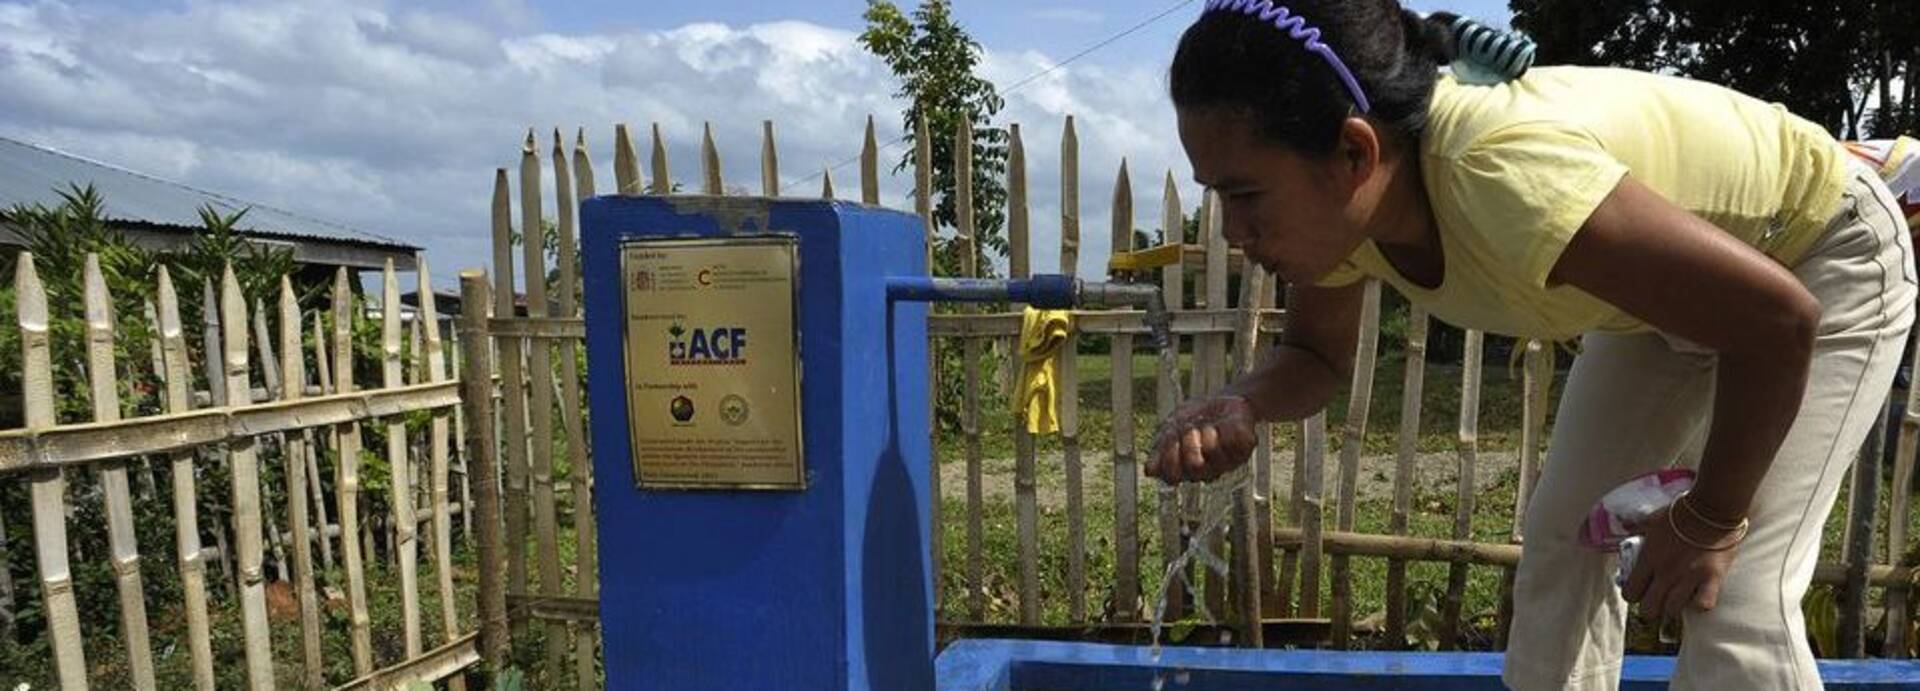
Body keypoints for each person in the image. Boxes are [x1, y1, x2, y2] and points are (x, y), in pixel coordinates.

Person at [1148, 0, 1917, 688]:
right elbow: (1315, 359)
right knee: (1568, 538)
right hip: (1668, 300)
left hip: (1819, 255)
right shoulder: (1348, 218)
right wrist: (1241, 403)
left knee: (1732, 589)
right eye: (1217, 195)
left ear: (1355, 153)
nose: (1231, 232)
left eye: (1244, 195)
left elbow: (1777, 322)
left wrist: (1709, 520)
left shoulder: (1500, 174)